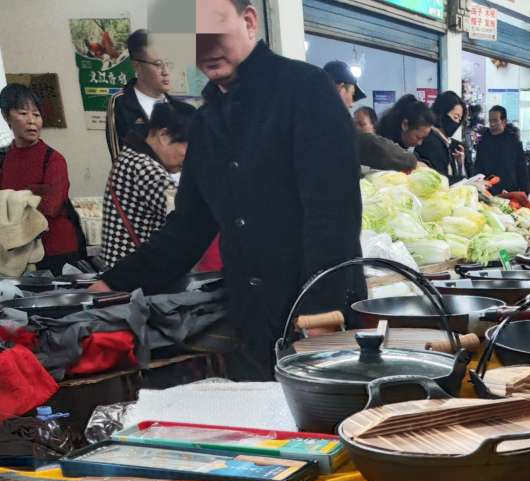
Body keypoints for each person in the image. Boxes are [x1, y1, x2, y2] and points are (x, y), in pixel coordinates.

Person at [92, 0, 362, 380]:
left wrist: (321, 310)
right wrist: (114, 282)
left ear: (249, 21)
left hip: (317, 317)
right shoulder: (206, 122)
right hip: (250, 321)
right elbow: (187, 227)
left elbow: (333, 213)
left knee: (323, 415)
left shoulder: (304, 89)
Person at [0, 83, 84, 273]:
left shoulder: (53, 159)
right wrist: (31, 194)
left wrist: (12, 201)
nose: (32, 121)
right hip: (15, 252)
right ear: (6, 117)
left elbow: (51, 205)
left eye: (36, 115)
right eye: (23, 113)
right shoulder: (3, 159)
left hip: (56, 250)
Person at [99, 103, 192, 268]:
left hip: (121, 267)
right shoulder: (144, 166)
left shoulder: (129, 156)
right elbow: (186, 214)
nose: (191, 157)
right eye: (189, 147)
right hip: (133, 272)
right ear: (164, 136)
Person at [105, 29, 196, 160]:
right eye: (158, 64)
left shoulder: (185, 110)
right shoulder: (121, 104)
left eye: (168, 63)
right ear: (137, 66)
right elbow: (120, 161)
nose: (166, 71)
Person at [325, 65, 416, 173]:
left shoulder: (314, 118)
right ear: (340, 89)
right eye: (352, 94)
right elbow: (369, 145)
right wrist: (411, 160)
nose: (351, 105)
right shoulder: (332, 127)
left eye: (361, 124)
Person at [473, 105, 528, 194]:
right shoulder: (483, 142)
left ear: (504, 121)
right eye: (490, 121)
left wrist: (525, 192)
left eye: (495, 120)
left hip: (509, 191)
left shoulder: (513, 141)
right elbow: (478, 168)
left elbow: (522, 170)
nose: (492, 124)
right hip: (488, 191)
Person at [414, 91, 466, 182]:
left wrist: (460, 164)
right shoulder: (431, 141)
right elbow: (440, 179)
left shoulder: (446, 142)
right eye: (455, 117)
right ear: (442, 113)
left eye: (459, 119)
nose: (457, 122)